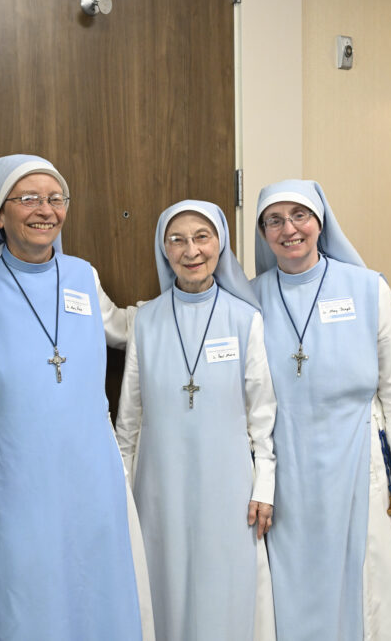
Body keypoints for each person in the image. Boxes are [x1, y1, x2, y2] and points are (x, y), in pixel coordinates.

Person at [0, 154, 153, 640]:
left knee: (98, 590)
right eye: (28, 198)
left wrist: (192, 306)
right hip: (10, 475)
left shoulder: (82, 277)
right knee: (22, 599)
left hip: (90, 471)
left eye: (55, 198)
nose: (44, 209)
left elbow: (125, 328)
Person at [252, 180, 391, 640]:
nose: (289, 229)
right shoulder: (251, 299)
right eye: (275, 220)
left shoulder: (368, 289)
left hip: (362, 469)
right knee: (299, 592)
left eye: (299, 216)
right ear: (263, 231)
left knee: (369, 597)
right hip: (289, 477)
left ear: (320, 220)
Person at [115, 200, 277, 640]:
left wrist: (265, 487)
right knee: (163, 586)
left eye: (202, 237)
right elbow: (129, 418)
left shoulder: (246, 319)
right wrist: (122, 492)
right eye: (177, 240)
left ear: (220, 244)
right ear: (163, 249)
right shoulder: (146, 319)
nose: (191, 251)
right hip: (158, 485)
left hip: (228, 486)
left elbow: (263, 416)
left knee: (223, 588)